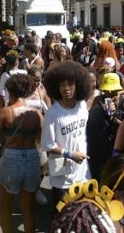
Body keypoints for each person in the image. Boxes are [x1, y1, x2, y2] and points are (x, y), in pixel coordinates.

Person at [0, 74, 43, 233]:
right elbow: (41, 138)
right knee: (28, 209)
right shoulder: (36, 112)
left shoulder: (6, 112)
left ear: (10, 91)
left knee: (5, 206)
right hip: (32, 157)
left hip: (11, 157)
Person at [40, 60, 92, 208]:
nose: (66, 88)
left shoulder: (82, 106)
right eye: (62, 84)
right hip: (62, 178)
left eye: (70, 84)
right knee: (62, 220)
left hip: (83, 175)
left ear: (78, 85)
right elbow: (47, 145)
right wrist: (70, 154)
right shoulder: (53, 113)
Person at [86, 72, 124, 180]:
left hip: (118, 145)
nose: (109, 93)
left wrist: (114, 118)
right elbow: (91, 121)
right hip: (100, 143)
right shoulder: (98, 100)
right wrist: (100, 110)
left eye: (112, 91)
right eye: (106, 91)